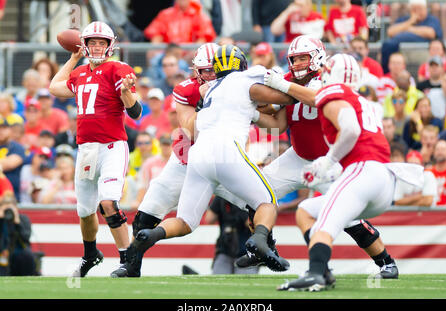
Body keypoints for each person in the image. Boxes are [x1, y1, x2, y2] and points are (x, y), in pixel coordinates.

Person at [112, 44, 295, 278]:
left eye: (212, 69)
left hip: (205, 161)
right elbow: (190, 129)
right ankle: (132, 264)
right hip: (188, 161)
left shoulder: (231, 84)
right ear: (195, 71)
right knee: (147, 214)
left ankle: (265, 250)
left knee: (246, 207)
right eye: (204, 71)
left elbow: (270, 117)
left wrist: (251, 106)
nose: (209, 75)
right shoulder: (197, 88)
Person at [241, 37, 400, 280]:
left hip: (329, 161)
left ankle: (385, 261)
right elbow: (279, 124)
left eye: (303, 57)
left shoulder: (325, 81)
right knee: (256, 193)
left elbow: (315, 98)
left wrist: (281, 87)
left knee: (348, 218)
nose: (297, 63)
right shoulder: (288, 82)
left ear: (317, 58)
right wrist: (252, 111)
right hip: (297, 156)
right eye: (293, 59)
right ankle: (266, 247)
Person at [272, 53, 423, 291]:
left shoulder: (334, 93)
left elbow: (351, 131)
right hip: (382, 179)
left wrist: (327, 161)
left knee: (325, 227)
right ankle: (324, 271)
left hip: (363, 172)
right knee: (305, 211)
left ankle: (316, 274)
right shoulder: (363, 100)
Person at [49, 21, 142, 277]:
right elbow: (54, 87)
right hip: (86, 150)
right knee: (85, 210)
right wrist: (73, 58)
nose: (98, 47)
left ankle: (128, 260)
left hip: (112, 146)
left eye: (102, 42)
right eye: (93, 42)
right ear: (85, 45)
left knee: (108, 202)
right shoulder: (79, 73)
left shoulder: (117, 69)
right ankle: (91, 255)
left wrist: (126, 93)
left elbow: (135, 112)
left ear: (110, 45)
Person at [381, 0, 443, 74]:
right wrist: (410, 21)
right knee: (388, 46)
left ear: (425, 9)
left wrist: (407, 28)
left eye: (420, 9)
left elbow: (431, 33)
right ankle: (386, 75)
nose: (417, 12)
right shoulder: (404, 19)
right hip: (400, 50)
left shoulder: (431, 19)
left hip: (422, 50)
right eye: (414, 9)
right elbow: (390, 32)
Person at [204, 196, 259, 275]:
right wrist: (220, 202)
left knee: (244, 283)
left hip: (246, 252)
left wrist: (240, 211)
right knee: (218, 281)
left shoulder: (248, 197)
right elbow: (209, 219)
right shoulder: (222, 196)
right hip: (225, 249)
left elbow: (252, 225)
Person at [0, 175, 41, 276]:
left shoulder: (23, 218)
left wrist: (17, 222)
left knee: (27, 255)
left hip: (19, 252)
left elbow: (25, 238)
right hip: (3, 251)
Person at [143, 0, 216, 44]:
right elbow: (156, 34)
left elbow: (204, 37)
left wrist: (193, 52)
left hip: (190, 55)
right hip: (169, 53)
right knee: (152, 53)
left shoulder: (198, 15)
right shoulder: (165, 14)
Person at [0, 117, 26, 202]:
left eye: (3, 128)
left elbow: (10, 164)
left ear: (9, 130)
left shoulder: (17, 147)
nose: (1, 131)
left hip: (11, 198)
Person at [427, 139, 446, 205]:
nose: (440, 152)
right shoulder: (428, 172)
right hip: (428, 213)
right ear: (433, 153)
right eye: (437, 149)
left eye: (442, 149)